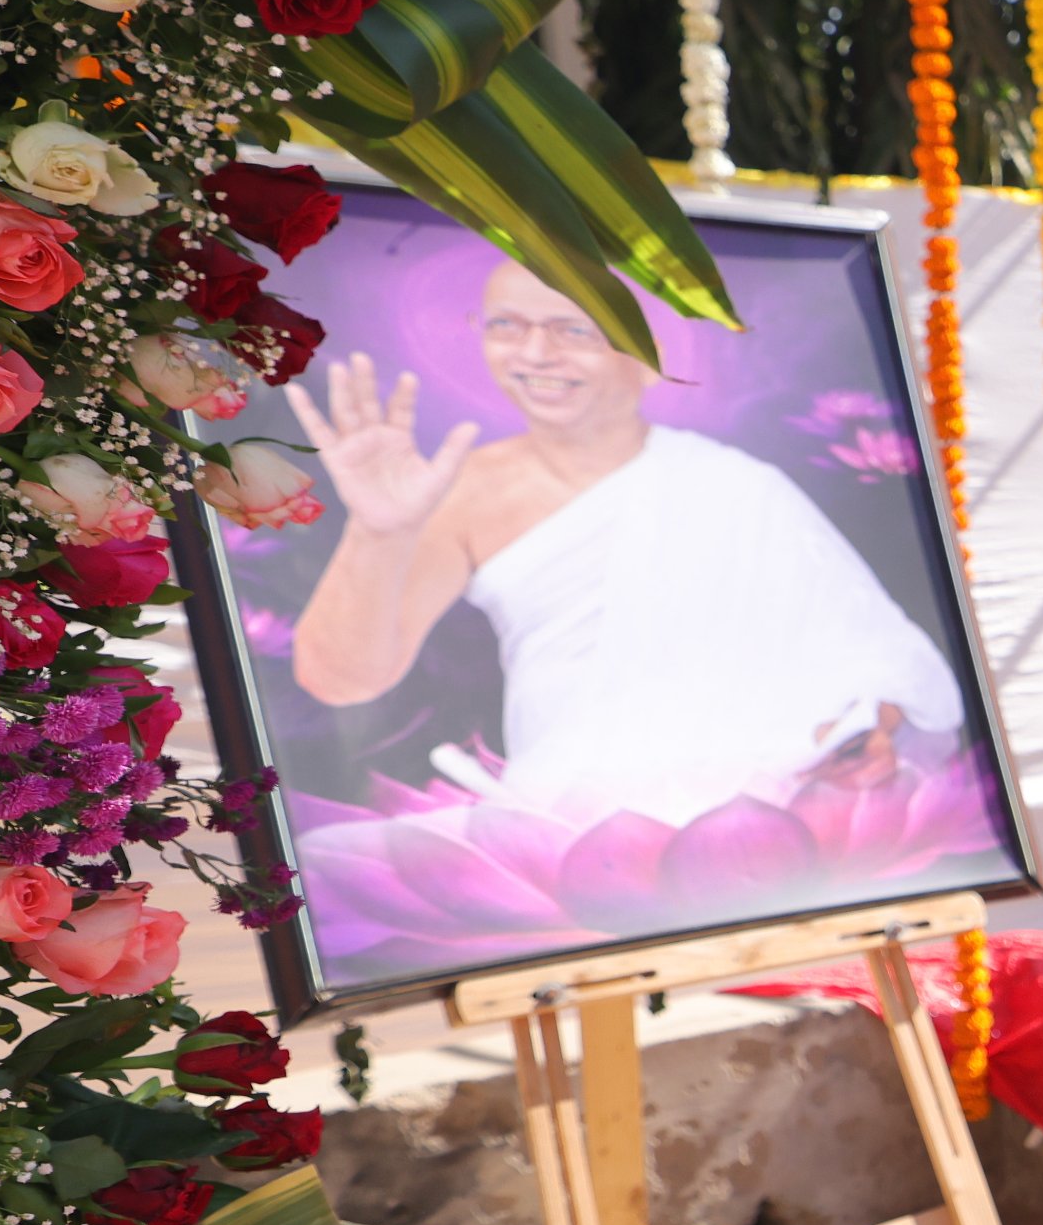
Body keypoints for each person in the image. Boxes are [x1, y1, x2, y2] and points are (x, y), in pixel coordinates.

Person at [286, 258, 962, 831]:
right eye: (506, 326)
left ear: (648, 353)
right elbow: (343, 679)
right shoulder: (461, 490)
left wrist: (874, 731)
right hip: (576, 830)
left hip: (776, 814)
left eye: (572, 329)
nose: (535, 355)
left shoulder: (736, 484)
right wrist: (377, 531)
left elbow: (880, 657)